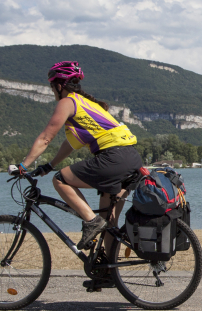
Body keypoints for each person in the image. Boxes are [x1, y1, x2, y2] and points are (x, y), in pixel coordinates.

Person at [9, 61, 144, 249]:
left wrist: (23, 165)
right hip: (132, 159)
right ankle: (107, 272)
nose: (51, 90)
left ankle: (90, 220)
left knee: (60, 180)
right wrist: (49, 164)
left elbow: (46, 138)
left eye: (51, 86)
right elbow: (70, 144)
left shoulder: (68, 102)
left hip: (113, 159)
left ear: (59, 85)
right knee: (109, 223)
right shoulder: (87, 104)